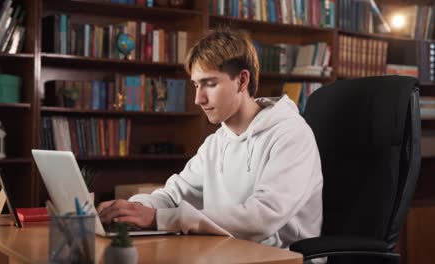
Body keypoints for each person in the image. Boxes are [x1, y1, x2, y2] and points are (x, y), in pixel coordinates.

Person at [97, 28, 323, 249]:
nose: (198, 98)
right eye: (196, 85)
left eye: (210, 84)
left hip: (283, 259)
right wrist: (132, 209)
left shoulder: (291, 135)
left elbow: (261, 218)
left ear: (242, 81)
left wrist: (157, 218)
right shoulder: (216, 143)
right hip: (229, 252)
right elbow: (172, 196)